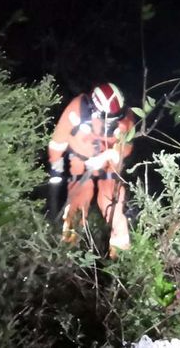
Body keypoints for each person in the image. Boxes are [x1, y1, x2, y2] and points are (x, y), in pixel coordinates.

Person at [47, 83, 135, 257]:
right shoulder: (77, 109)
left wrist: (109, 155)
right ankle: (68, 249)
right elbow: (58, 140)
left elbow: (126, 147)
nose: (112, 121)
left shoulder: (126, 117)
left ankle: (121, 254)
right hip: (81, 161)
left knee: (112, 202)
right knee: (79, 199)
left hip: (109, 163)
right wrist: (56, 164)